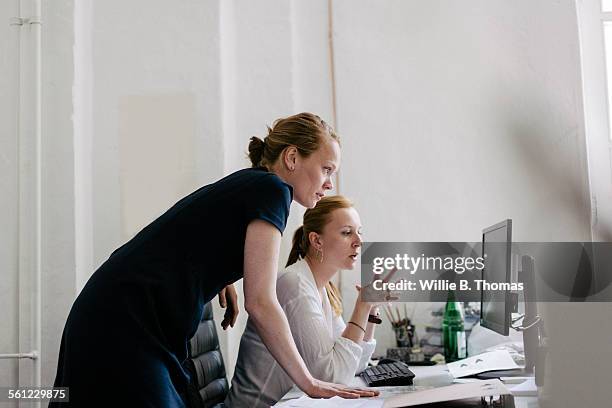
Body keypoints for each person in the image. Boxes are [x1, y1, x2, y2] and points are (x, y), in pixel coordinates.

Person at [50, 113, 377, 407]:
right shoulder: (273, 189)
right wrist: (310, 382)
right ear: (292, 157)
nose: (329, 183)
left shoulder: (255, 185)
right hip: (127, 319)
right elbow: (261, 302)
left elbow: (196, 236)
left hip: (121, 309)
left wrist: (223, 277)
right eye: (326, 169)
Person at [226, 195, 382, 407]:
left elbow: (353, 365)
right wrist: (361, 306)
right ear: (317, 240)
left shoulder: (321, 287)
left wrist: (370, 311)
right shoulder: (296, 285)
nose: (359, 241)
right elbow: (332, 379)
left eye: (359, 232)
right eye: (347, 233)